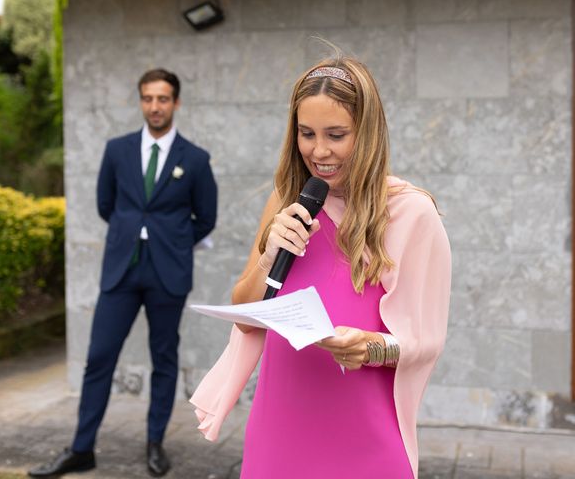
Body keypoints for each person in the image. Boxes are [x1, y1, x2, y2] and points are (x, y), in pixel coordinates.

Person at [190, 57, 451, 479]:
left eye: (336, 135)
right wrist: (270, 252)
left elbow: (428, 340)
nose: (319, 151)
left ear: (367, 132)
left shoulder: (412, 213)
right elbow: (245, 312)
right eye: (306, 134)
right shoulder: (287, 201)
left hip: (365, 432)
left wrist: (372, 347)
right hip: (279, 425)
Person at [29, 68, 218, 478]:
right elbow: (105, 204)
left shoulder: (196, 159)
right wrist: (131, 232)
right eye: (148, 98)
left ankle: (155, 444)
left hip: (168, 273)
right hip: (121, 271)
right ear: (141, 102)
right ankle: (81, 449)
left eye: (163, 99)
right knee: (99, 357)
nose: (155, 106)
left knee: (163, 359)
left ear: (176, 103)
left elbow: (206, 218)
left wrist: (169, 240)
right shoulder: (117, 151)